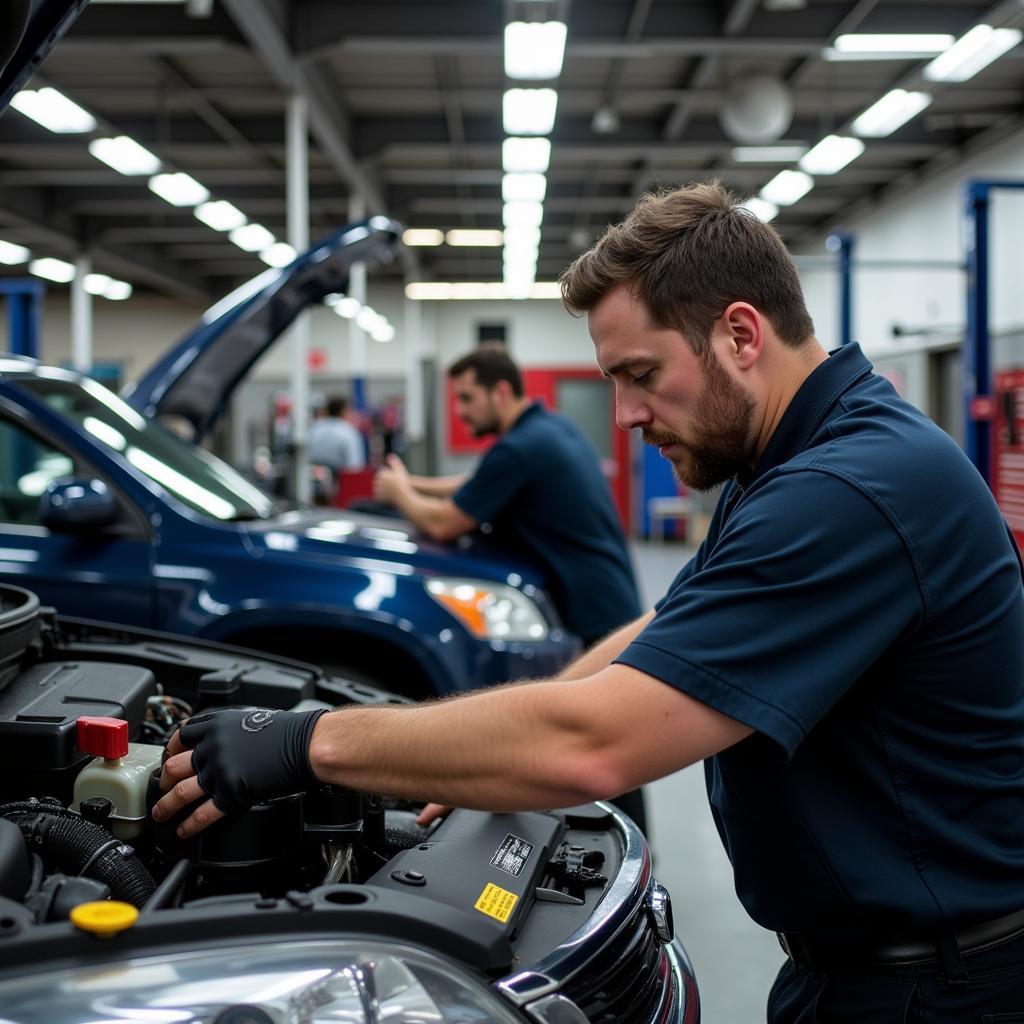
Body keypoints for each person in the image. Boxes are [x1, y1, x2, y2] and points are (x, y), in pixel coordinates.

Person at [154, 182, 1024, 1023]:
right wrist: (464, 757)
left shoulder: (847, 488)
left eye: (640, 374)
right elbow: (660, 632)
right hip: (865, 969)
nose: (625, 414)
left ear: (741, 334)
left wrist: (309, 742)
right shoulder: (787, 461)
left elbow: (600, 741)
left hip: (942, 989)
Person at [373, 347, 647, 831]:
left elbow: (444, 523)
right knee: (610, 728)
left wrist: (400, 494)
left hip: (595, 607)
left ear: (501, 392)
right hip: (610, 595)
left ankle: (623, 850)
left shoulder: (521, 448)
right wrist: (415, 481)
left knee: (603, 733)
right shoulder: (546, 430)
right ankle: (629, 839)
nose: (461, 411)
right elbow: (476, 482)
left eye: (467, 398)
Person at [308, 395, 366, 473]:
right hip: (340, 481)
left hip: (310, 478)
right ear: (344, 411)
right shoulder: (349, 432)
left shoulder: (314, 428)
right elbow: (354, 467)